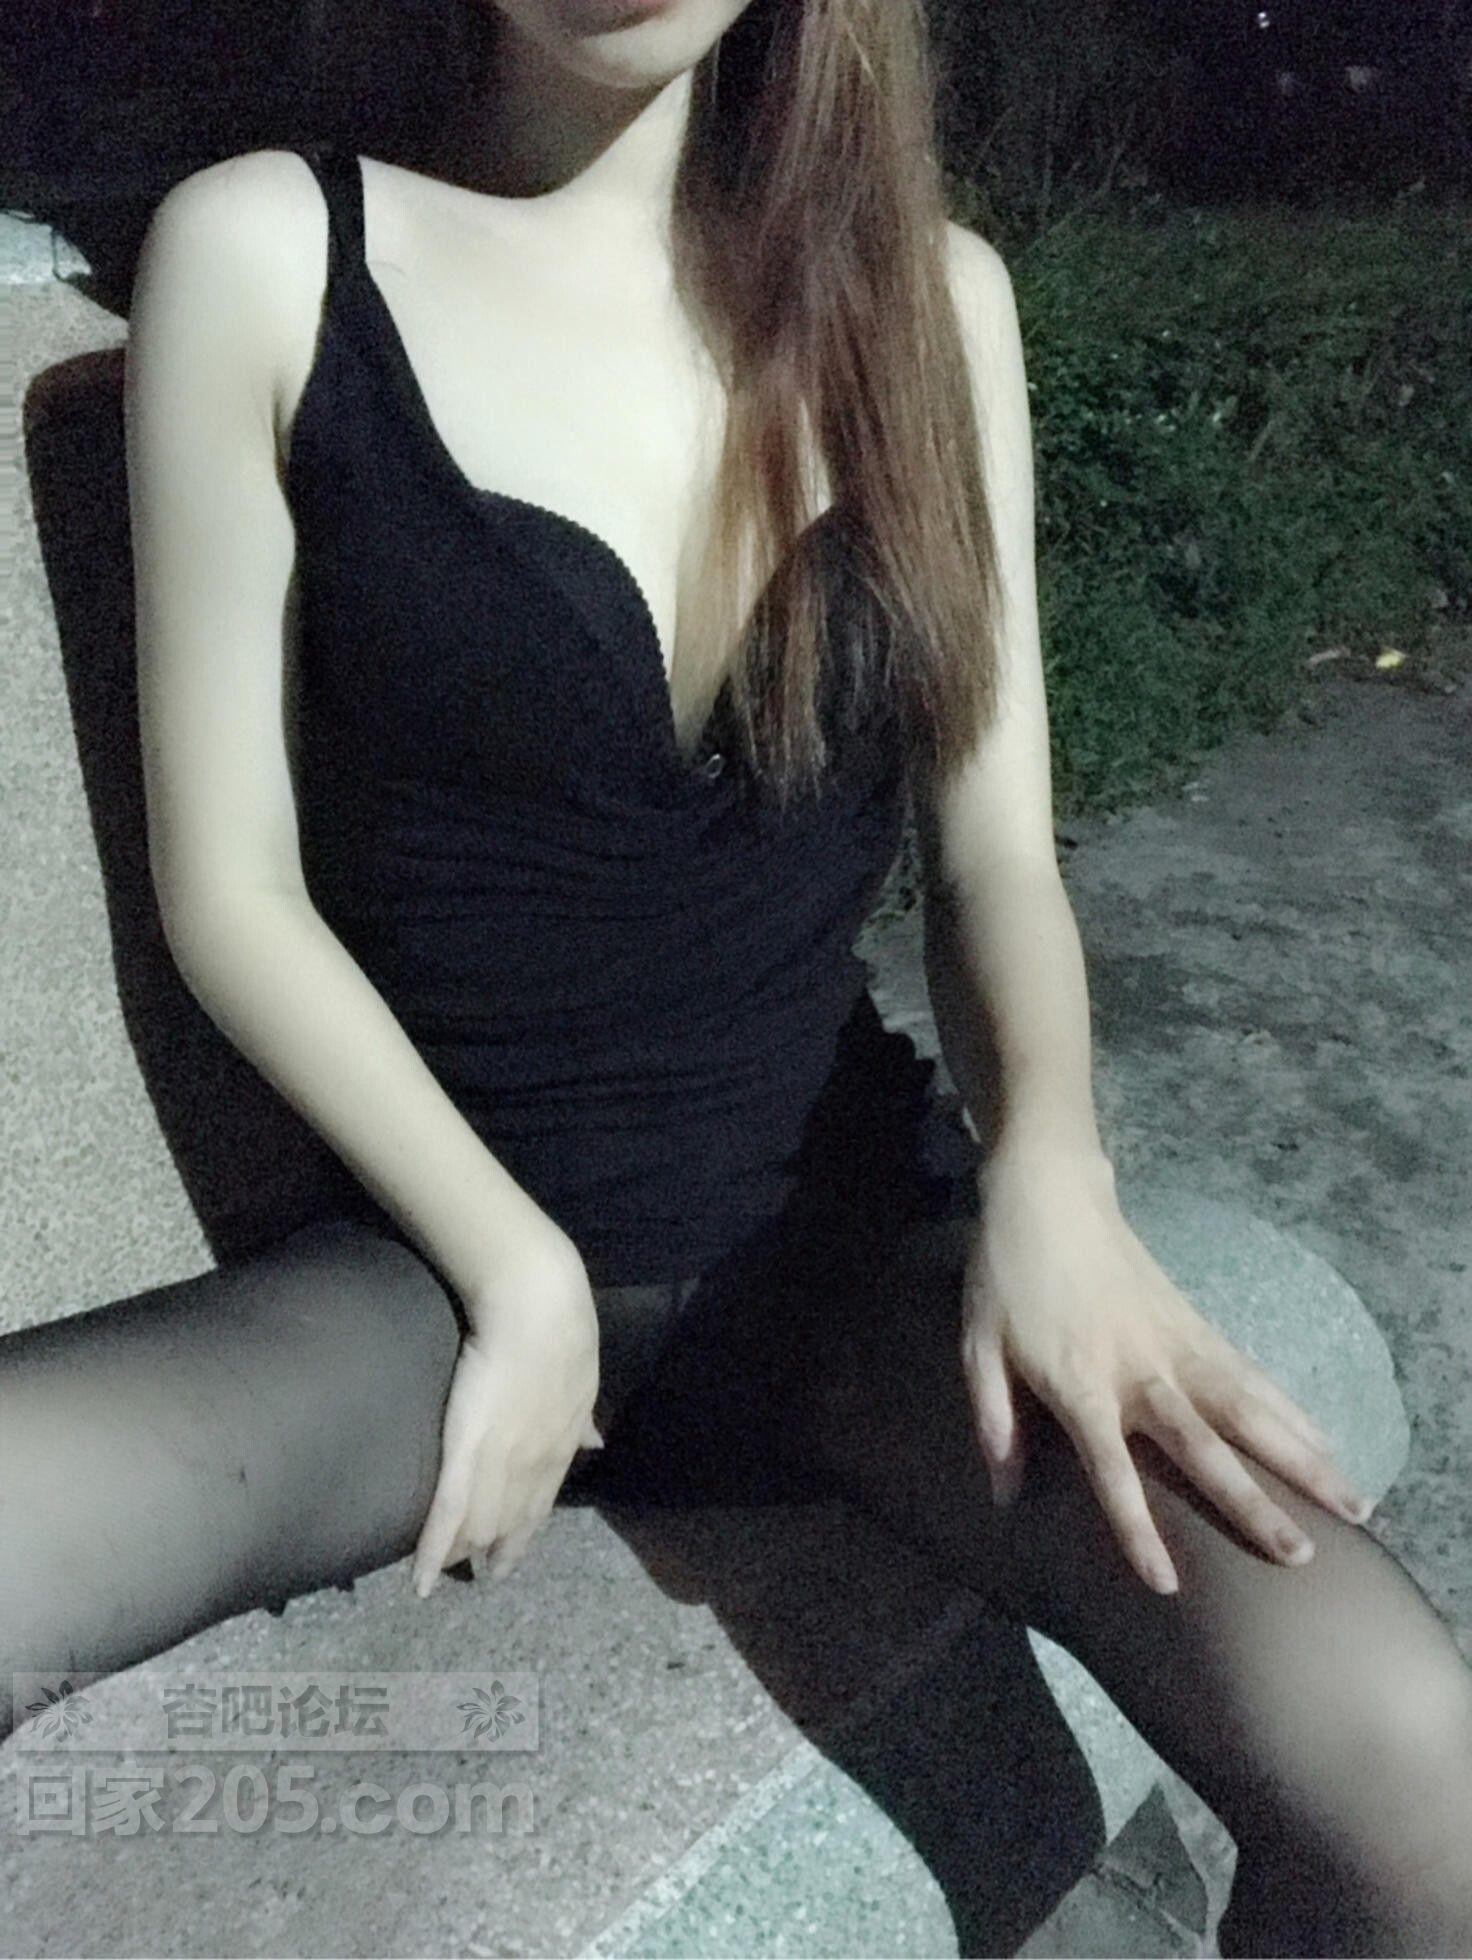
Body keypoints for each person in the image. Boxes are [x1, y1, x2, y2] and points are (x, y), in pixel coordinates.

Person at [5, 1, 1470, 1949]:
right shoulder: (274, 249)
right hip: (420, 1279)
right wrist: (517, 1268)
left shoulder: (931, 305)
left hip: (841, 1252)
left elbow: (994, 857)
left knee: (1415, 1778)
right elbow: (234, 894)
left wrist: (1053, 1170)